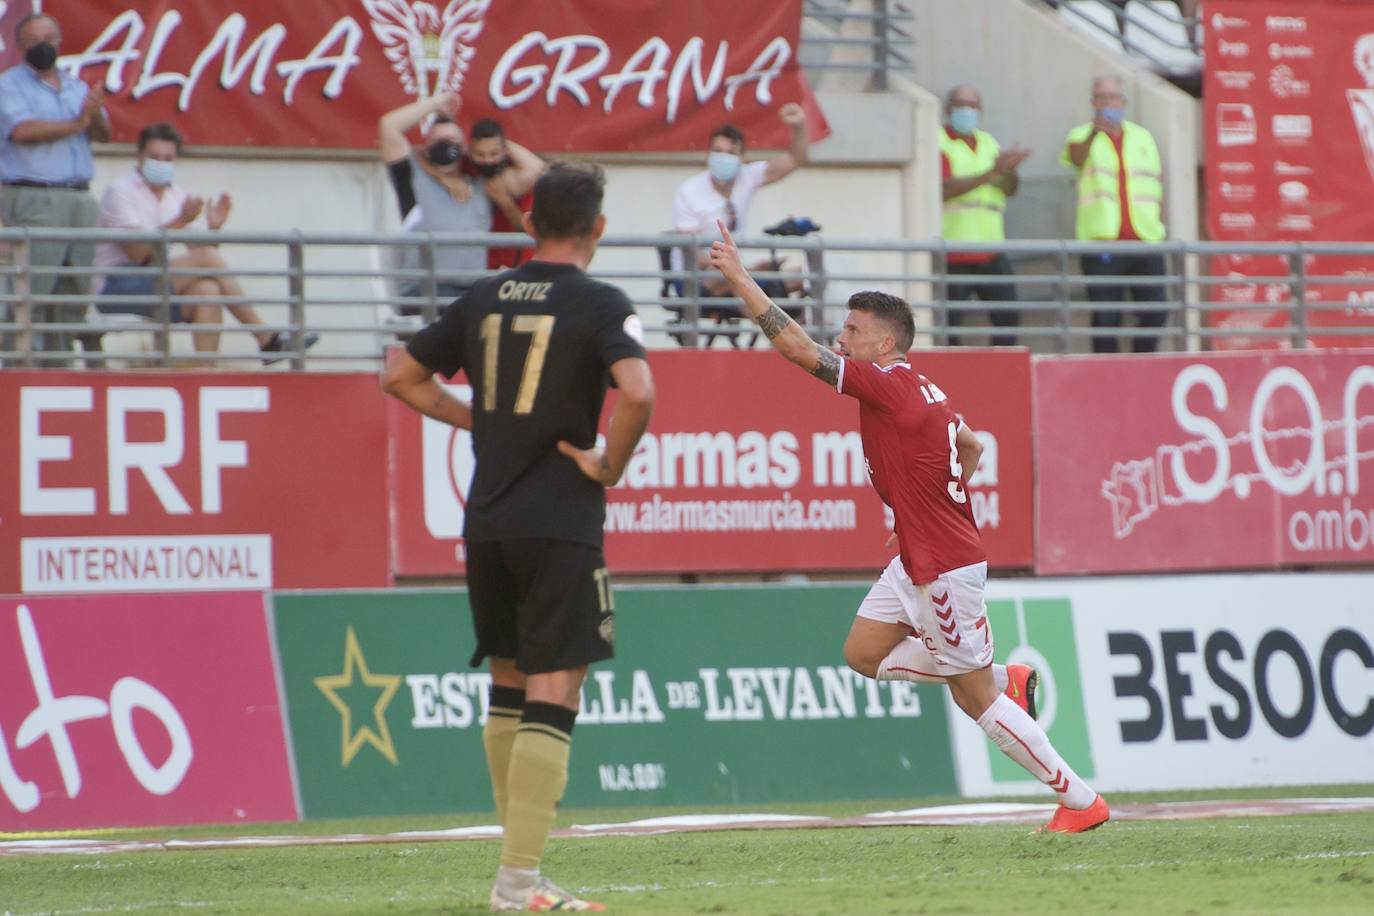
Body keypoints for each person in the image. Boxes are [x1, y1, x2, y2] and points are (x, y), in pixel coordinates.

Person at [708, 220, 1109, 835]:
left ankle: (1080, 801)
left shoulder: (889, 386)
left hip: (944, 568)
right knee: (862, 654)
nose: (840, 340)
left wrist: (740, 277)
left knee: (972, 699)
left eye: (852, 331)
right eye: (843, 329)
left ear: (886, 342)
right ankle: (1005, 677)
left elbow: (794, 350)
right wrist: (916, 509)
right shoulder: (922, 386)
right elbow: (971, 447)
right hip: (920, 557)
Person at [382, 162, 654, 911]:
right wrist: (610, 464)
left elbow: (399, 374)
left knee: (507, 683)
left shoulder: (483, 295)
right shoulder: (600, 301)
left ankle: (518, 870)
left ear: (529, 225)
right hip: (560, 519)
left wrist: (480, 420)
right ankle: (518, 882)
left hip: (488, 518)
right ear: (598, 228)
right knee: (555, 687)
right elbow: (638, 391)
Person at [94, 122, 314, 362]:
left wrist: (213, 231)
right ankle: (266, 338)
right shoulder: (120, 191)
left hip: (157, 283)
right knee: (207, 262)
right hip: (116, 284)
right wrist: (180, 220)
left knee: (209, 290)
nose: (161, 164)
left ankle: (205, 376)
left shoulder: (176, 195)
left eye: (168, 159)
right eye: (154, 157)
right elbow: (136, 252)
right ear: (139, 157)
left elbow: (202, 258)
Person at [0, 12, 109, 364]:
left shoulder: (76, 86)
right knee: (30, 292)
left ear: (60, 42)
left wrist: (94, 117)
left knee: (72, 296)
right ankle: (14, 374)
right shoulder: (8, 85)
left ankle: (57, 372)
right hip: (35, 196)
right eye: (33, 41)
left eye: (48, 38)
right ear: (19, 47)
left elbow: (101, 135)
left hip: (79, 196)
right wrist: (78, 121)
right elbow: (22, 131)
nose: (42, 46)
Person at [1062, 75, 1169, 353]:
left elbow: (1155, 184)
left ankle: (1140, 365)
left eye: (1113, 98)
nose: (1108, 103)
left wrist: (1159, 226)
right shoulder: (1080, 135)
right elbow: (1075, 158)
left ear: (1123, 103)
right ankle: (1104, 374)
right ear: (1092, 102)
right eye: (1102, 97)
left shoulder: (1142, 137)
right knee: (1107, 317)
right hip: (1102, 242)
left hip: (1145, 240)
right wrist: (1094, 133)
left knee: (1156, 311)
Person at [670, 104, 810, 310]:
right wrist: (745, 270)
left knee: (805, 276)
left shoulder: (747, 177)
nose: (723, 158)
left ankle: (800, 330)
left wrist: (799, 126)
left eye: (731, 152)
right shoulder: (689, 191)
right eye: (717, 151)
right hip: (693, 278)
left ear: (742, 158)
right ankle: (777, 336)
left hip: (734, 271)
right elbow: (693, 255)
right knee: (733, 277)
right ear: (707, 155)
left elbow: (795, 159)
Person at [379, 92, 497, 311]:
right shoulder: (412, 176)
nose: (444, 146)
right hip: (425, 291)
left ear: (465, 148)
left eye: (452, 141)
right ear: (425, 148)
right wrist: (435, 104)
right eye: (437, 141)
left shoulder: (483, 184)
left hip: (473, 292)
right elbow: (388, 127)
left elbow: (534, 170)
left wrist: (496, 141)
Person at [939, 85, 1029, 347]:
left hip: (991, 248)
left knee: (1008, 315)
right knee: (949, 325)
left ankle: (1002, 373)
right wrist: (991, 173)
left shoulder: (989, 142)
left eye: (972, 105)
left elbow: (1009, 190)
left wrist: (1009, 170)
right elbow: (943, 189)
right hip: (953, 249)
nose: (967, 110)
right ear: (947, 109)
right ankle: (947, 380)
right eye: (960, 104)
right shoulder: (937, 141)